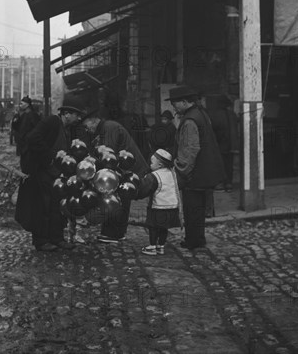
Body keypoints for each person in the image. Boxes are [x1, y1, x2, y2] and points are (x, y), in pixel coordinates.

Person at [15, 93, 86, 252]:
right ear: (66, 114)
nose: (79, 119)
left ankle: (57, 238)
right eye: (76, 115)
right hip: (42, 171)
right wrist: (51, 156)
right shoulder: (52, 122)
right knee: (43, 207)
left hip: (56, 174)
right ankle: (41, 241)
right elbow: (33, 138)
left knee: (57, 207)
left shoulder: (68, 128)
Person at [167, 85, 226, 250]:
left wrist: (180, 171)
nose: (173, 107)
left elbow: (190, 149)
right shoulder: (200, 113)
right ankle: (198, 238)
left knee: (192, 208)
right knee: (198, 209)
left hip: (195, 173)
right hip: (203, 171)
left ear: (185, 102)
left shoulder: (190, 120)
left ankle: (193, 240)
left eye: (175, 103)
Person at [82, 110, 149, 244]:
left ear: (94, 120)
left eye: (87, 125)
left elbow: (108, 154)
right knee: (118, 198)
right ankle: (114, 232)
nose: (87, 129)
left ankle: (114, 233)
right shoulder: (107, 127)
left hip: (129, 170)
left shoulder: (109, 128)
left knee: (117, 198)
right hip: (126, 169)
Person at [136, 149, 183, 256]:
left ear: (160, 165)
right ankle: (161, 246)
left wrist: (137, 192)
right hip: (171, 207)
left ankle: (152, 246)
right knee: (163, 228)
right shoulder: (173, 173)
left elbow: (145, 188)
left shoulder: (154, 176)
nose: (150, 165)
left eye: (152, 163)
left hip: (157, 207)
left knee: (153, 227)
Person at [208, 95, 239, 192]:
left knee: (220, 165)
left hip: (220, 144)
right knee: (229, 165)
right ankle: (228, 184)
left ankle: (220, 183)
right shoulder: (232, 114)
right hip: (231, 145)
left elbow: (214, 130)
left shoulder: (215, 115)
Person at [12, 96, 40, 174]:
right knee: (24, 166)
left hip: (30, 147)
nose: (19, 105)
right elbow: (16, 127)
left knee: (28, 167)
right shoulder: (23, 115)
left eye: (21, 103)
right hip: (23, 146)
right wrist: (16, 116)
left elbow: (37, 130)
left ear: (27, 105)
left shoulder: (33, 116)